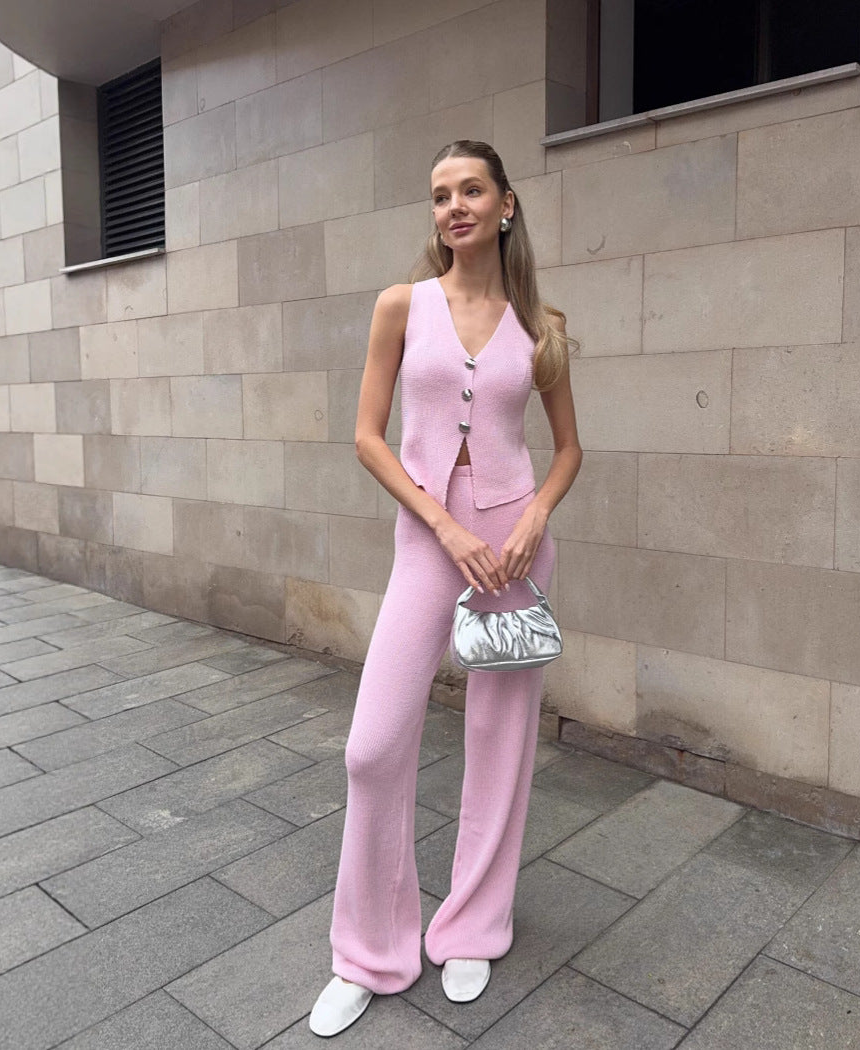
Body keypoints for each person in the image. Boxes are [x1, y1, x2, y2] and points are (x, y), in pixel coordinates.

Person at [309, 139, 582, 1038]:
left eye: (471, 191)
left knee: (499, 743)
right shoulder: (403, 306)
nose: (453, 206)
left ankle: (472, 923)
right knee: (373, 744)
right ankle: (371, 949)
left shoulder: (542, 327)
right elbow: (367, 437)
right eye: (439, 195)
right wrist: (446, 523)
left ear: (506, 205)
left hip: (515, 548)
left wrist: (538, 511)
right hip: (436, 545)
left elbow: (570, 447)